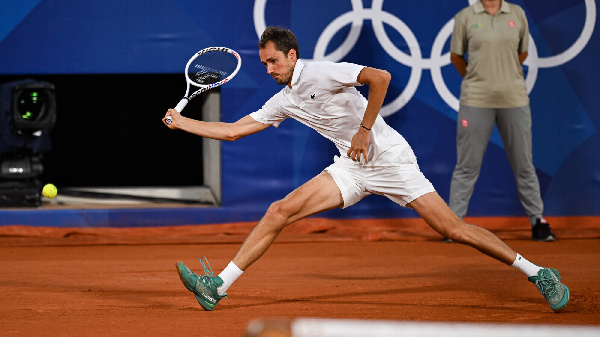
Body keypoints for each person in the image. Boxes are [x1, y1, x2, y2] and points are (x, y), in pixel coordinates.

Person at [163, 26, 569, 312]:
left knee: (452, 229)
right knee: (278, 211)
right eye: (264, 64)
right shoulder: (283, 99)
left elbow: (380, 77)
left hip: (389, 159)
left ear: (291, 55)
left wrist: (364, 130)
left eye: (273, 61)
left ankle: (537, 272)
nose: (268, 70)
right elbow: (235, 131)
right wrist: (183, 123)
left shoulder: (321, 71)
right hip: (352, 168)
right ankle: (218, 286)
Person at [448, 0, 556, 242]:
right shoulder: (465, 16)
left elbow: (523, 52)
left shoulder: (517, 13)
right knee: (467, 165)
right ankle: (453, 225)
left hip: (514, 98)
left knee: (524, 164)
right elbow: (456, 56)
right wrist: (478, 79)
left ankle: (538, 222)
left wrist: (502, 76)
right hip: (475, 99)